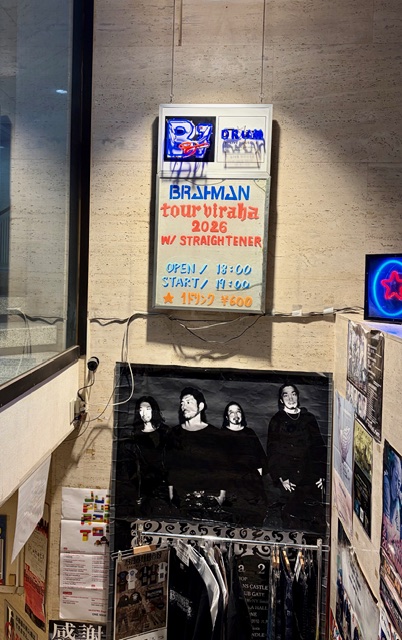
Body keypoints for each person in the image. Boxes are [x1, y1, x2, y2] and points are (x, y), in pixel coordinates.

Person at [266, 383, 327, 531]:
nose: (290, 398)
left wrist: (321, 474)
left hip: (311, 477)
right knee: (293, 522)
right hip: (290, 480)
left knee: (314, 521)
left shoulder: (309, 418)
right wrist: (282, 477)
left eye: (293, 394)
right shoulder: (277, 420)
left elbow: (319, 446)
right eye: (286, 395)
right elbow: (273, 452)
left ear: (298, 397)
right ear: (281, 400)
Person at [166, 387, 228, 520]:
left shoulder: (215, 434)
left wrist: (221, 495)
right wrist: (171, 495)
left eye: (189, 402)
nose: (184, 406)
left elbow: (222, 466)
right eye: (182, 403)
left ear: (201, 406)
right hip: (181, 499)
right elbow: (170, 466)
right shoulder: (174, 433)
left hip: (209, 498)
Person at [115, 395, 170, 521]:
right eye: (141, 410)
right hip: (139, 486)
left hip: (161, 486)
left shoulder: (165, 432)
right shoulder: (132, 435)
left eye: (148, 409)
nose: (144, 413)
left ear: (154, 410)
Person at [220, 402, 268, 526]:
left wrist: (256, 479)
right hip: (232, 487)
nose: (235, 414)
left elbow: (260, 459)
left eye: (238, 411)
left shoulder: (249, 433)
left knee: (254, 523)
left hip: (251, 486)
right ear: (226, 417)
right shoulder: (221, 435)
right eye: (231, 412)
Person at [383, 448, 402, 542]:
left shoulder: (397, 464)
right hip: (391, 487)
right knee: (388, 513)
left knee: (391, 516)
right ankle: (387, 537)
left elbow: (397, 483)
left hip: (395, 493)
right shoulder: (395, 461)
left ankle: (388, 538)